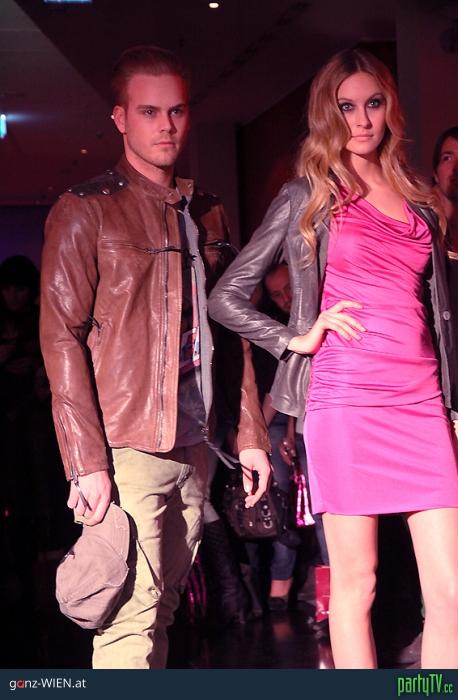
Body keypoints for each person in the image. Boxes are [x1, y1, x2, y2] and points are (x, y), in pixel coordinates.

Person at [209, 48, 458, 669]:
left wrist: (454, 410)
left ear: (390, 107)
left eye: (373, 103)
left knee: (453, 597)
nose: (362, 119)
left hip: (422, 402)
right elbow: (226, 296)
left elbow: (439, 320)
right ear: (329, 113)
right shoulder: (309, 194)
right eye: (347, 106)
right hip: (345, 401)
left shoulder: (420, 200)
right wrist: (293, 337)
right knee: (356, 589)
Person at [40, 45, 271, 669]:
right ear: (120, 118)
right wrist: (86, 462)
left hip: (196, 442)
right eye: (149, 111)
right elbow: (60, 338)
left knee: (162, 609)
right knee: (128, 621)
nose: (166, 125)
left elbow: (231, 330)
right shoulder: (86, 209)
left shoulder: (206, 211)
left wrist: (250, 434)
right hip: (126, 445)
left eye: (176, 111)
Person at [433, 125, 458, 408]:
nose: (457, 167)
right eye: (448, 157)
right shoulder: (422, 238)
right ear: (435, 173)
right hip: (443, 389)